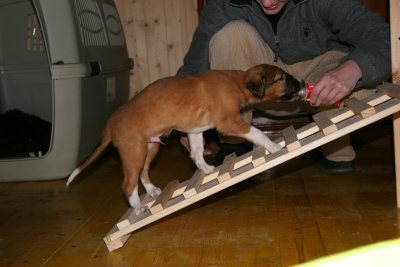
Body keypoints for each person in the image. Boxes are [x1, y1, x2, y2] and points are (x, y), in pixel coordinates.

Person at [177, 0, 391, 174]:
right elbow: (195, 64)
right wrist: (185, 114)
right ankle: (235, 143)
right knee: (230, 36)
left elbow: (385, 38)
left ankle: (337, 147)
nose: (267, 2)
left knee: (367, 87)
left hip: (324, 71)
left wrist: (353, 69)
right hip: (264, 84)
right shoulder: (224, 3)